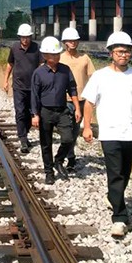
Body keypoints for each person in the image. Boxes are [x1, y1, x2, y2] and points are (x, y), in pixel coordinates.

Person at [81, 31, 132, 238]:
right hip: (109, 133)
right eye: (119, 51)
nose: (124, 55)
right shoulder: (100, 76)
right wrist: (87, 126)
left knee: (125, 173)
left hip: (130, 133)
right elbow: (89, 103)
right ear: (111, 53)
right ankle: (119, 218)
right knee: (115, 173)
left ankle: (113, 197)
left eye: (127, 51)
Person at [31, 36, 80, 185]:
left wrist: (77, 108)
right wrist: (35, 114)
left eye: (58, 54)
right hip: (45, 111)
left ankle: (59, 160)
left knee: (68, 139)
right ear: (45, 56)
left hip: (62, 110)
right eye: (53, 54)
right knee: (46, 143)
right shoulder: (38, 73)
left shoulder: (65, 70)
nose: (57, 57)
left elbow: (72, 89)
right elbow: (34, 95)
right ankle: (49, 172)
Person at [59, 27, 95, 170]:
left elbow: (93, 77)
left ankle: (70, 156)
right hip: (63, 100)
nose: (73, 43)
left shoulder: (85, 58)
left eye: (75, 40)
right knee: (66, 130)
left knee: (74, 130)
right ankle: (67, 156)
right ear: (64, 42)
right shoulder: (59, 58)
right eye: (69, 40)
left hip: (81, 100)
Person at [3, 23, 43, 153]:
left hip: (33, 87)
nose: (25, 40)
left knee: (31, 113)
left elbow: (41, 64)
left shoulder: (36, 48)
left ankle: (25, 132)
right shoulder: (15, 48)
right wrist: (5, 80)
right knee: (20, 112)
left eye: (27, 37)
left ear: (31, 37)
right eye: (23, 37)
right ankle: (23, 139)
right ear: (19, 37)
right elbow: (10, 64)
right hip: (19, 86)